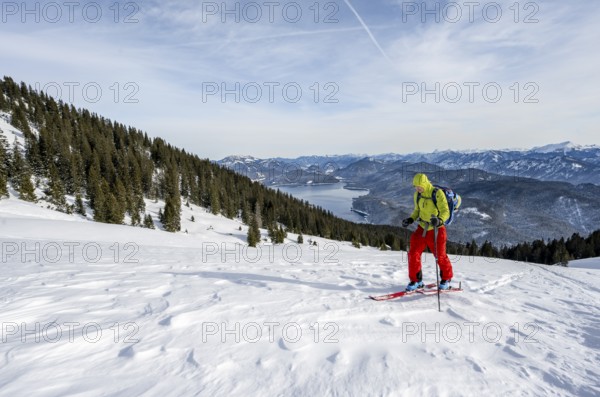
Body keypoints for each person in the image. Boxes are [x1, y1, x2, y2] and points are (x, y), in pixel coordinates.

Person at [401, 173, 454, 291]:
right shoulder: (417, 195)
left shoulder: (437, 193)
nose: (417, 189)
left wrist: (439, 220)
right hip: (422, 228)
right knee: (413, 253)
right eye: (415, 186)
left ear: (425, 183)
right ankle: (416, 281)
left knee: (440, 256)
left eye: (419, 186)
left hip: (437, 229)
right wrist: (410, 219)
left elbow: (445, 211)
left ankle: (446, 279)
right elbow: (417, 210)